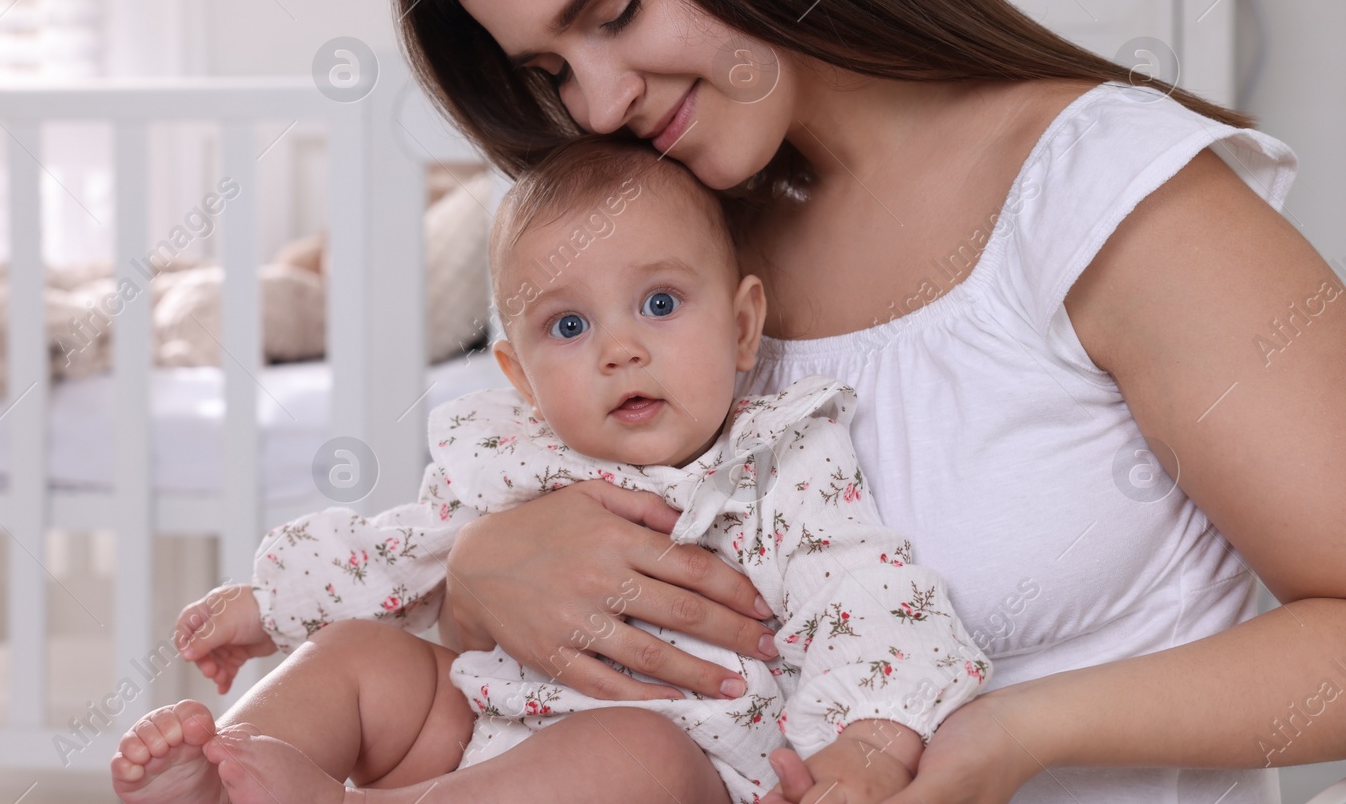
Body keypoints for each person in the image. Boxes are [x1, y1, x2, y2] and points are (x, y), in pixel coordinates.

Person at [384, 0, 1346, 801]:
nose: (600, 105)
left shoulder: (1102, 194)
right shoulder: (673, 254)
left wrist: (1017, 728)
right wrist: (473, 571)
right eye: (551, 70)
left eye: (615, 12)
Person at [110, 135, 991, 804]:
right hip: (475, 740)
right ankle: (232, 771)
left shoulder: (782, 463)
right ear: (521, 376)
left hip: (682, 767)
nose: (619, 349)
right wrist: (273, 601)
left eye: (659, 303)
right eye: (568, 326)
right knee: (361, 654)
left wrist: (865, 752)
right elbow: (404, 550)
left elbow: (874, 605)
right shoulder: (509, 457)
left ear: (742, 324)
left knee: (634, 752)